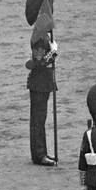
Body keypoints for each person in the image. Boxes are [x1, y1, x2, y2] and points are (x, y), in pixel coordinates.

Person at [26, 26, 57, 165]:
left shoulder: (43, 35)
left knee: (40, 120)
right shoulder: (39, 37)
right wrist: (53, 53)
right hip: (39, 84)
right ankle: (39, 154)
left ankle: (41, 152)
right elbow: (40, 61)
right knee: (38, 121)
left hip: (43, 84)